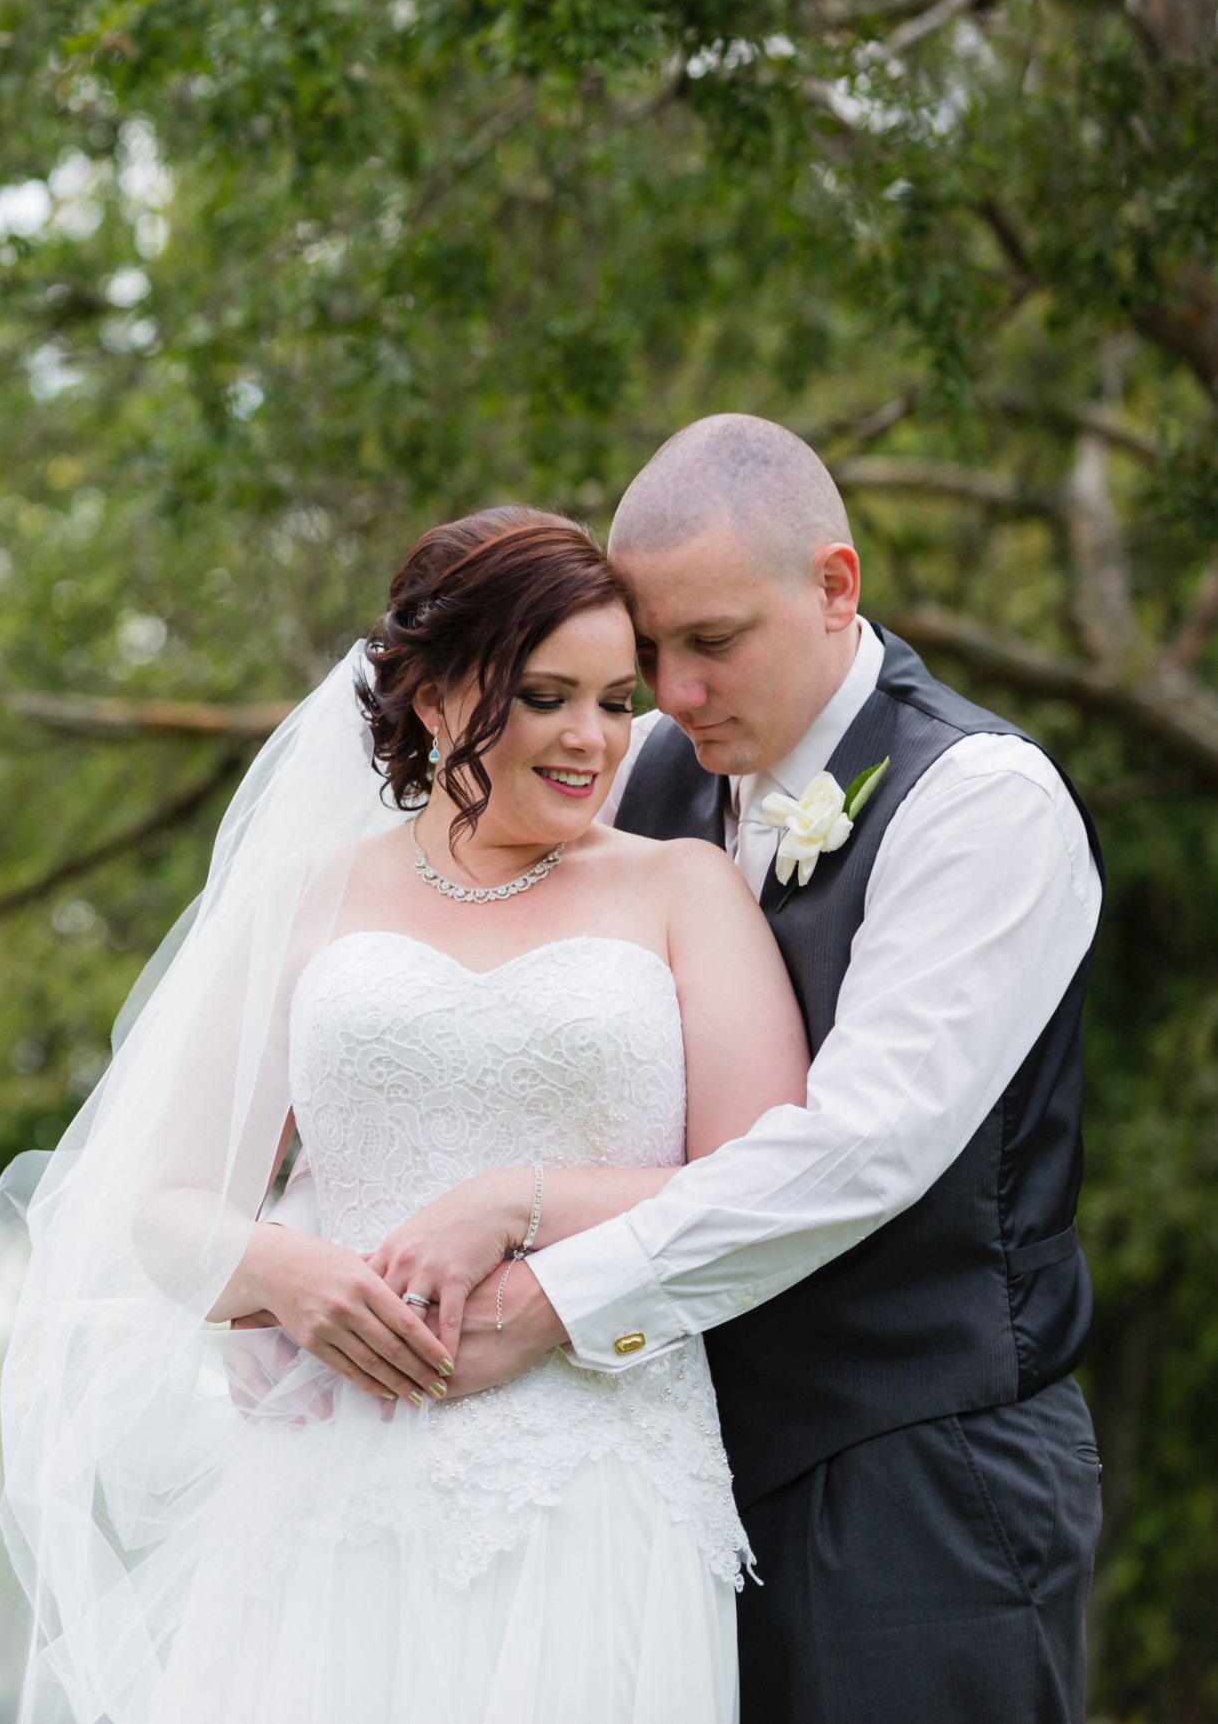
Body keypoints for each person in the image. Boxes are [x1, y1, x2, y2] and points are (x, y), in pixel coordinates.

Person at [0, 506, 807, 1724]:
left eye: (618, 702)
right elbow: (164, 1207)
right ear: (434, 696)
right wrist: (285, 1269)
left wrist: (520, 1201)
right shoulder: (304, 896)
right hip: (327, 1478)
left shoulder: (682, 886)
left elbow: (762, 1178)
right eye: (545, 695)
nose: (592, 739)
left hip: (598, 1474)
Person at [364, 415, 1104, 1723]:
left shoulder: (980, 803)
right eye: (649, 653)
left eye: (710, 643)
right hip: (659, 1483)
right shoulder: (645, 774)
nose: (676, 694)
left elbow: (859, 1147)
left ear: (833, 585)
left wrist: (540, 1284)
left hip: (917, 1479)